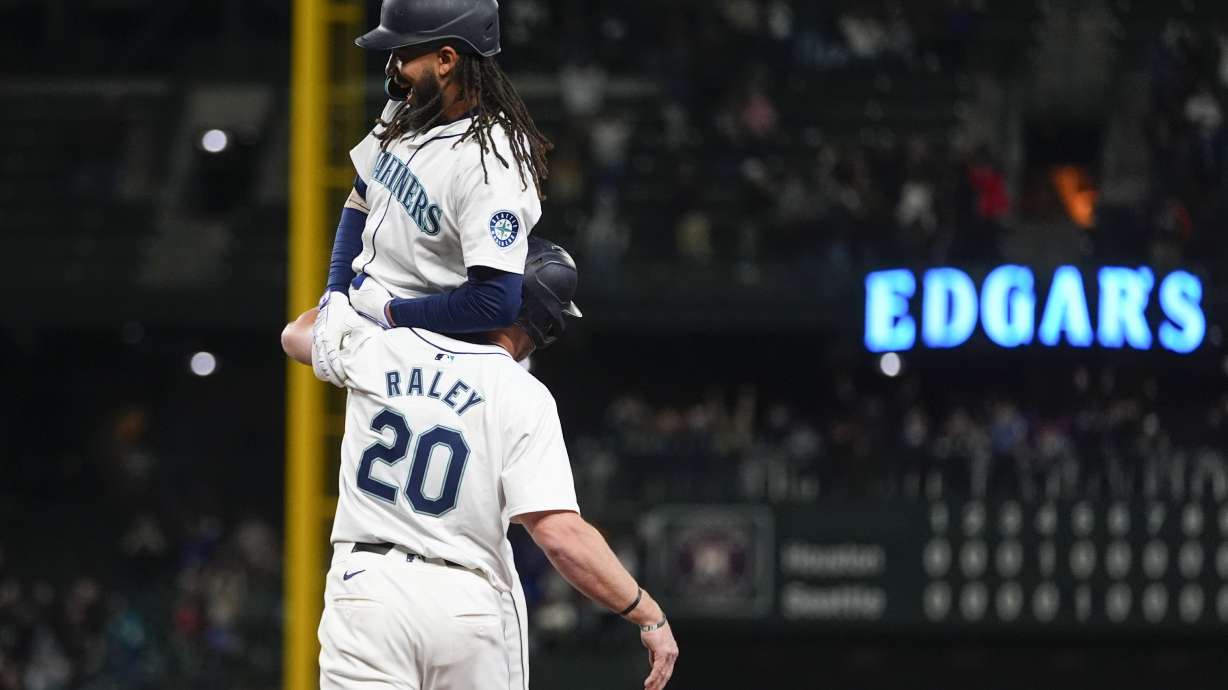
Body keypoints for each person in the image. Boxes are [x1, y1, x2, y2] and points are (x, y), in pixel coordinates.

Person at [284, 238, 678, 690]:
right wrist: (646, 611)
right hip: (465, 598)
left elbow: (295, 335)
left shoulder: (386, 346)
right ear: (546, 325)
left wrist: (361, 297)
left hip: (367, 587)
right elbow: (558, 533)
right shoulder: (522, 395)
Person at [281, 0, 554, 346]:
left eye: (403, 53)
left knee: (295, 339)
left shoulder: (491, 162)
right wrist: (336, 295)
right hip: (369, 317)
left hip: (426, 340)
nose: (391, 68)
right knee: (295, 335)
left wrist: (391, 314)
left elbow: (493, 302)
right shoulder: (412, 107)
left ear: (445, 60)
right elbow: (360, 197)